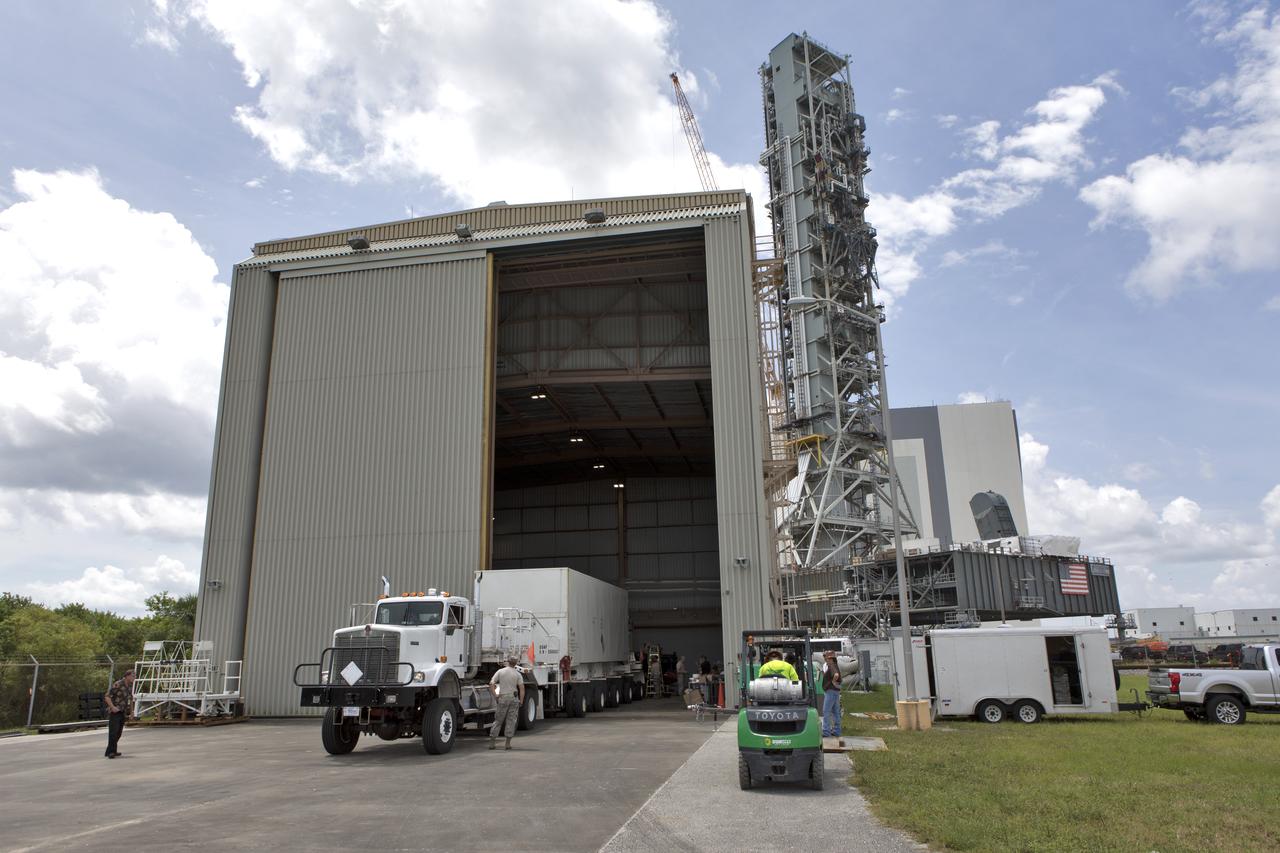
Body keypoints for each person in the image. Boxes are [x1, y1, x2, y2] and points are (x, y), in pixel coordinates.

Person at [489, 656, 525, 751]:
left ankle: (492, 743)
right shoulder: (517, 674)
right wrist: (521, 701)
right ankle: (507, 744)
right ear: (516, 663)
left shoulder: (500, 672)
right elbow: (522, 689)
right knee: (511, 721)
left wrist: (495, 695)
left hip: (503, 698)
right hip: (513, 699)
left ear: (508, 662)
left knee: (498, 720)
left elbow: (491, 683)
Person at [103, 669, 136, 758]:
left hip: (123, 711)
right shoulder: (118, 684)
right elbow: (107, 696)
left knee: (119, 732)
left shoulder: (130, 686)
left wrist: (132, 712)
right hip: (115, 712)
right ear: (127, 676)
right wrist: (112, 707)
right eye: (133, 676)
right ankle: (111, 753)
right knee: (113, 732)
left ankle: (110, 750)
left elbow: (131, 699)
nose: (134, 678)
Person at [821, 650, 843, 737]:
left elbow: (836, 675)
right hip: (835, 691)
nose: (825, 659)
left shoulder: (832, 666)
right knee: (835, 712)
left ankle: (826, 732)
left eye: (826, 657)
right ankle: (837, 731)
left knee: (826, 711)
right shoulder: (835, 665)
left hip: (830, 691)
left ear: (830, 659)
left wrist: (833, 682)